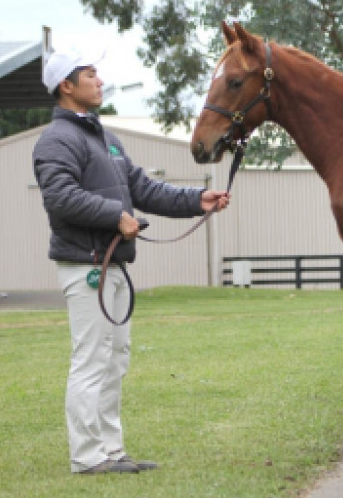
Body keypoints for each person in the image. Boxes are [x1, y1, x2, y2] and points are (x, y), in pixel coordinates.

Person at [33, 46, 230, 475]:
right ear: (67, 86)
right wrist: (115, 216)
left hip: (114, 267)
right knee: (91, 359)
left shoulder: (106, 139)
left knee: (114, 359)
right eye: (90, 75)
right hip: (86, 266)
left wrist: (198, 200)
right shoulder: (56, 139)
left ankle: (111, 451)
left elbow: (145, 190)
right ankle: (87, 457)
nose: (100, 81)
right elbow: (59, 197)